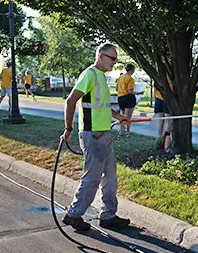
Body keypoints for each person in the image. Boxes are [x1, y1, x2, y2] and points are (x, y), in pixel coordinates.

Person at [60, 43, 131, 230]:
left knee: (110, 178)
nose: (114, 63)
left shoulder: (101, 78)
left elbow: (103, 107)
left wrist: (119, 117)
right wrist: (68, 129)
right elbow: (70, 101)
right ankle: (73, 214)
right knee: (92, 178)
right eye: (112, 58)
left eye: (116, 59)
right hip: (93, 136)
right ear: (100, 56)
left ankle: (108, 215)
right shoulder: (89, 75)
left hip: (105, 135)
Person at [116, 64, 142, 138]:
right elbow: (130, 91)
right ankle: (127, 133)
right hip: (128, 98)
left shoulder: (120, 77)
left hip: (120, 97)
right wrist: (138, 93)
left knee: (122, 115)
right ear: (132, 70)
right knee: (128, 117)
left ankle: (120, 132)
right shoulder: (130, 79)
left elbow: (117, 89)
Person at [154, 77, 173, 150]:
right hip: (167, 99)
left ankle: (159, 140)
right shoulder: (171, 74)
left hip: (158, 98)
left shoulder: (159, 75)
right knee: (168, 121)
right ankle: (166, 144)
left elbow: (155, 86)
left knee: (160, 121)